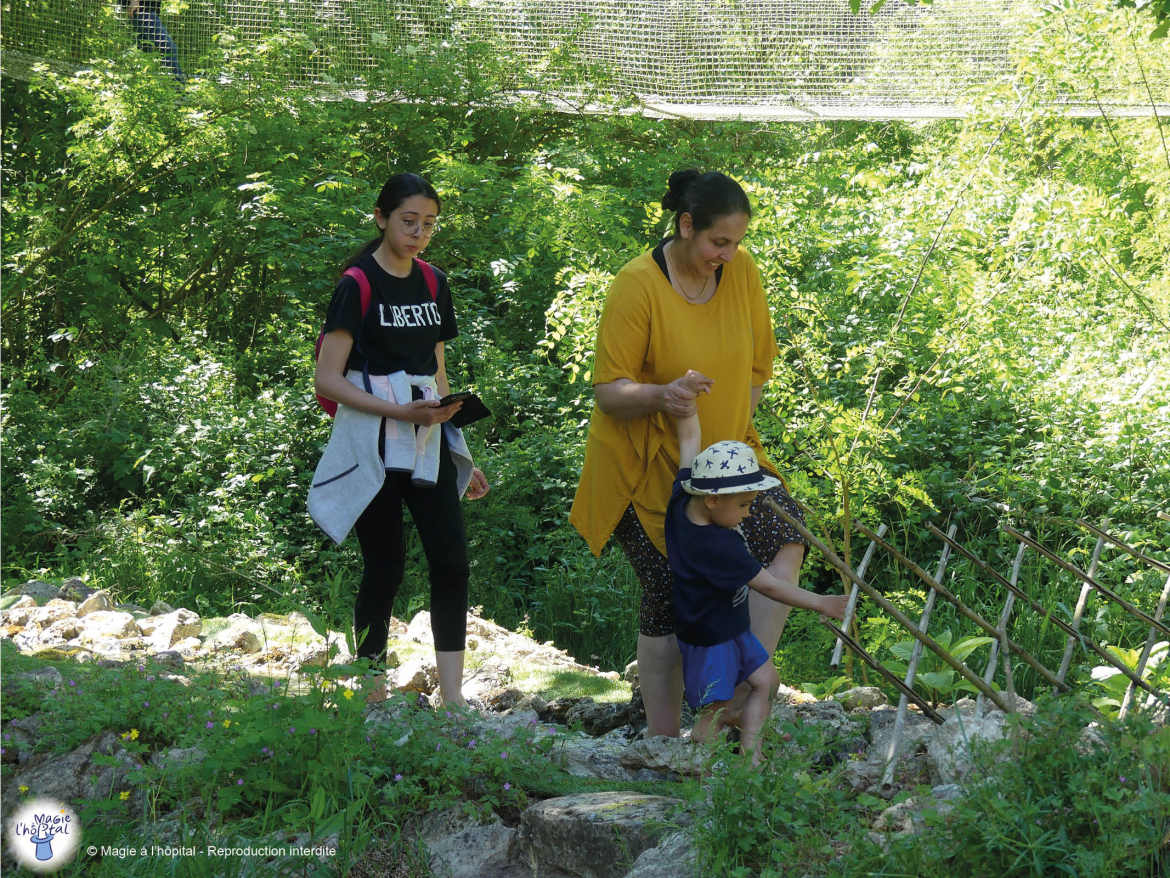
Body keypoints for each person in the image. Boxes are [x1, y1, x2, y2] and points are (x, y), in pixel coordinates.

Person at [570, 168, 810, 737]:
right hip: (645, 465)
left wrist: (736, 441)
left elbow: (757, 369)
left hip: (727, 461)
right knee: (670, 584)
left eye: (735, 243)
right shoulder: (637, 283)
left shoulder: (742, 271)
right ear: (685, 226)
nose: (725, 254)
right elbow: (609, 391)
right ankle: (662, 737)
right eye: (716, 242)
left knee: (786, 536)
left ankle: (731, 694)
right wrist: (663, 394)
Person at [309, 173, 489, 707]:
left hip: (426, 440)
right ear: (381, 217)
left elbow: (437, 371)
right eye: (408, 221)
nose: (418, 234)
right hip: (372, 439)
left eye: (428, 224)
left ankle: (453, 699)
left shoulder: (434, 283)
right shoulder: (357, 284)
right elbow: (328, 379)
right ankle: (371, 693)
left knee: (452, 562)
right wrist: (396, 411)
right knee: (384, 565)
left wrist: (459, 448)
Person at [666, 378, 848, 763]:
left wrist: (689, 404)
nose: (749, 514)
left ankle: (751, 758)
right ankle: (704, 768)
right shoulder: (719, 545)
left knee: (767, 680)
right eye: (746, 505)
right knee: (713, 712)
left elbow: (688, 443)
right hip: (710, 639)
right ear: (714, 501)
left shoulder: (683, 496)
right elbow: (772, 587)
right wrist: (822, 603)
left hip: (731, 627)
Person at [124, 0, 186, 82]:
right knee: (169, 48)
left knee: (142, 53)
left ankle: (136, 85)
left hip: (145, 9)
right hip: (143, 9)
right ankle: (180, 90)